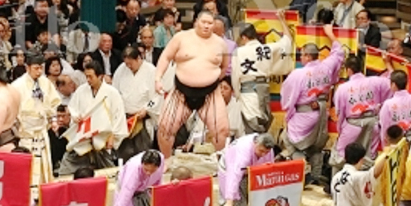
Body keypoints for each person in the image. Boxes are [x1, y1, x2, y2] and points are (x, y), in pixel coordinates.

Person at [156, 11, 229, 158]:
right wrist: (158, 78)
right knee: (165, 127)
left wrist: (210, 79)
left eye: (210, 23)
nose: (207, 26)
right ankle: (167, 160)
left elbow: (224, 67)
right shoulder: (181, 37)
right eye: (204, 22)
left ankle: (219, 162)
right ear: (196, 21)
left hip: (210, 92)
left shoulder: (220, 43)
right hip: (181, 91)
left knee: (222, 130)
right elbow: (165, 57)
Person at [281, 24, 344, 185]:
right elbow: (339, 52)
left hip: (305, 113)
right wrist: (330, 34)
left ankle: (306, 171)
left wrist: (288, 114)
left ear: (308, 56)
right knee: (315, 145)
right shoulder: (327, 66)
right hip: (322, 112)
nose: (301, 58)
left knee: (290, 141)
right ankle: (316, 175)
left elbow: (287, 96)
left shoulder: (299, 74)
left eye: (302, 55)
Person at [58, 61, 128, 175]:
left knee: (109, 171)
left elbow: (118, 117)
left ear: (100, 76)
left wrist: (112, 136)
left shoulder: (112, 93)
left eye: (90, 76)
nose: (88, 80)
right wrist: (75, 117)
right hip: (83, 135)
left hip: (103, 136)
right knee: (67, 167)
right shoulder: (81, 90)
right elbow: (73, 108)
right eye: (86, 77)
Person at [232, 10, 292, 135]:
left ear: (244, 37)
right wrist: (282, 20)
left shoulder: (239, 52)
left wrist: (237, 94)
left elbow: (235, 76)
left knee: (253, 127)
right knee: (262, 123)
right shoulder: (267, 49)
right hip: (264, 89)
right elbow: (287, 42)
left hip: (248, 92)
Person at [332, 56, 393, 171]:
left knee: (340, 156)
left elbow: (340, 113)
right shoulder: (376, 81)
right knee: (369, 157)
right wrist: (388, 64)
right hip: (372, 123)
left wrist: (340, 129)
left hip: (352, 125)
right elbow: (395, 82)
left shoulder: (343, 88)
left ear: (348, 70)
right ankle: (366, 186)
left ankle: (336, 186)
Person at [11, 54, 60, 190]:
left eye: (41, 68)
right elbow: (12, 111)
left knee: (44, 165)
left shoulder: (45, 82)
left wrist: (53, 119)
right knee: (30, 167)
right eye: (36, 68)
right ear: (27, 68)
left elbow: (54, 103)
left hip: (42, 130)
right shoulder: (17, 86)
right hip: (26, 133)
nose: (39, 71)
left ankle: (45, 191)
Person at [112, 46, 158, 162]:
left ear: (138, 58)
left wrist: (146, 109)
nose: (128, 66)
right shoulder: (121, 70)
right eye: (126, 63)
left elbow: (157, 96)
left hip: (142, 117)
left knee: (143, 152)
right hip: (125, 119)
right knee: (125, 153)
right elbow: (115, 92)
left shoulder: (151, 70)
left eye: (130, 63)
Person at [379, 70, 411, 144]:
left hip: (397, 142)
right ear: (407, 84)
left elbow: (385, 128)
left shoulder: (388, 104)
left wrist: (385, 146)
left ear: (393, 85)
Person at [48, 104, 70, 173]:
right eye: (58, 116)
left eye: (63, 116)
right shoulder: (50, 131)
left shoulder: (72, 129)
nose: (60, 119)